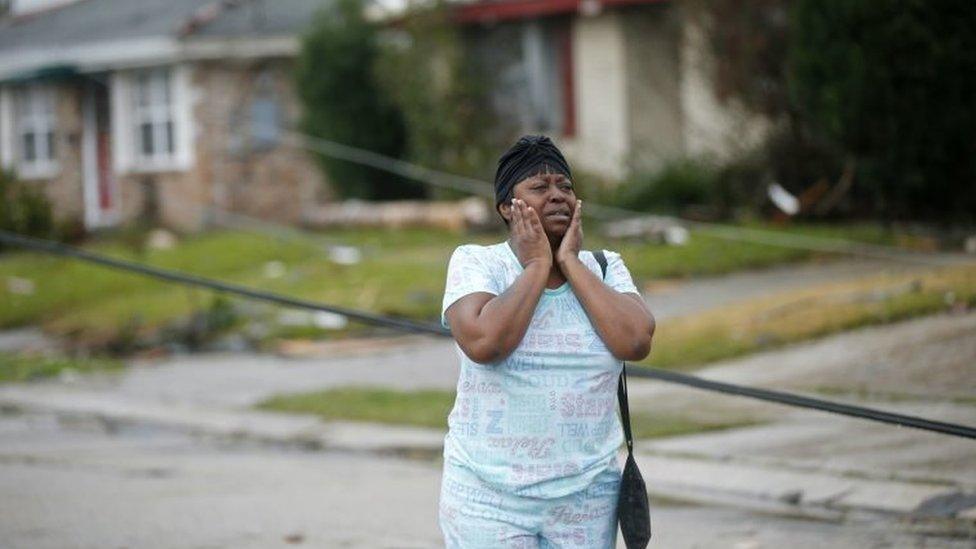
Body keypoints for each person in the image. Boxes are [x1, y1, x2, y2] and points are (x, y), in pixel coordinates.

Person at [438, 135, 656, 548]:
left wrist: (570, 262)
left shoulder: (605, 268)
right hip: (488, 498)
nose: (557, 196)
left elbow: (636, 341)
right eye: (539, 188)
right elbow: (485, 343)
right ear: (507, 207)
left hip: (588, 497)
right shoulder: (477, 263)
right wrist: (538, 264)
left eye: (565, 186)